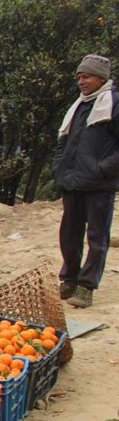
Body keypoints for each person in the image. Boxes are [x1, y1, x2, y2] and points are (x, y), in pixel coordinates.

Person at [53, 53, 119, 308]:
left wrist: (103, 169)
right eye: (79, 77)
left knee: (96, 237)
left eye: (87, 76)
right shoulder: (79, 106)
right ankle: (69, 278)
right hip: (72, 181)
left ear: (101, 78)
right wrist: (59, 169)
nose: (81, 81)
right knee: (69, 234)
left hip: (99, 184)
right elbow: (64, 141)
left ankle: (86, 286)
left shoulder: (112, 103)